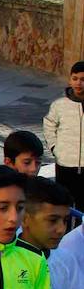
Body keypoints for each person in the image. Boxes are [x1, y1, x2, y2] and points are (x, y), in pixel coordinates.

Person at [43, 60, 84, 209]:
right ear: (70, 80)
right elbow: (49, 125)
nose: (79, 83)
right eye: (75, 78)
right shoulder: (59, 105)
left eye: (83, 79)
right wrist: (55, 148)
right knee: (63, 205)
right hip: (65, 166)